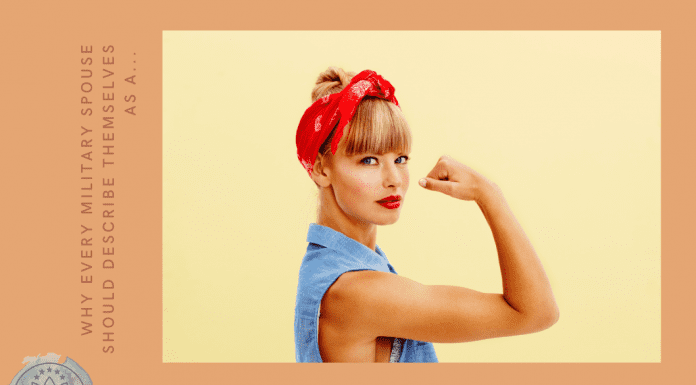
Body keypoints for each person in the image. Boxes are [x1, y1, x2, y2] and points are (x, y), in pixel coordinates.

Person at [293, 67, 559, 363]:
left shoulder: (330, 268)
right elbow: (535, 312)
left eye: (400, 158)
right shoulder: (357, 292)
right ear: (320, 169)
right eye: (368, 160)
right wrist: (489, 194)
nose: (393, 178)